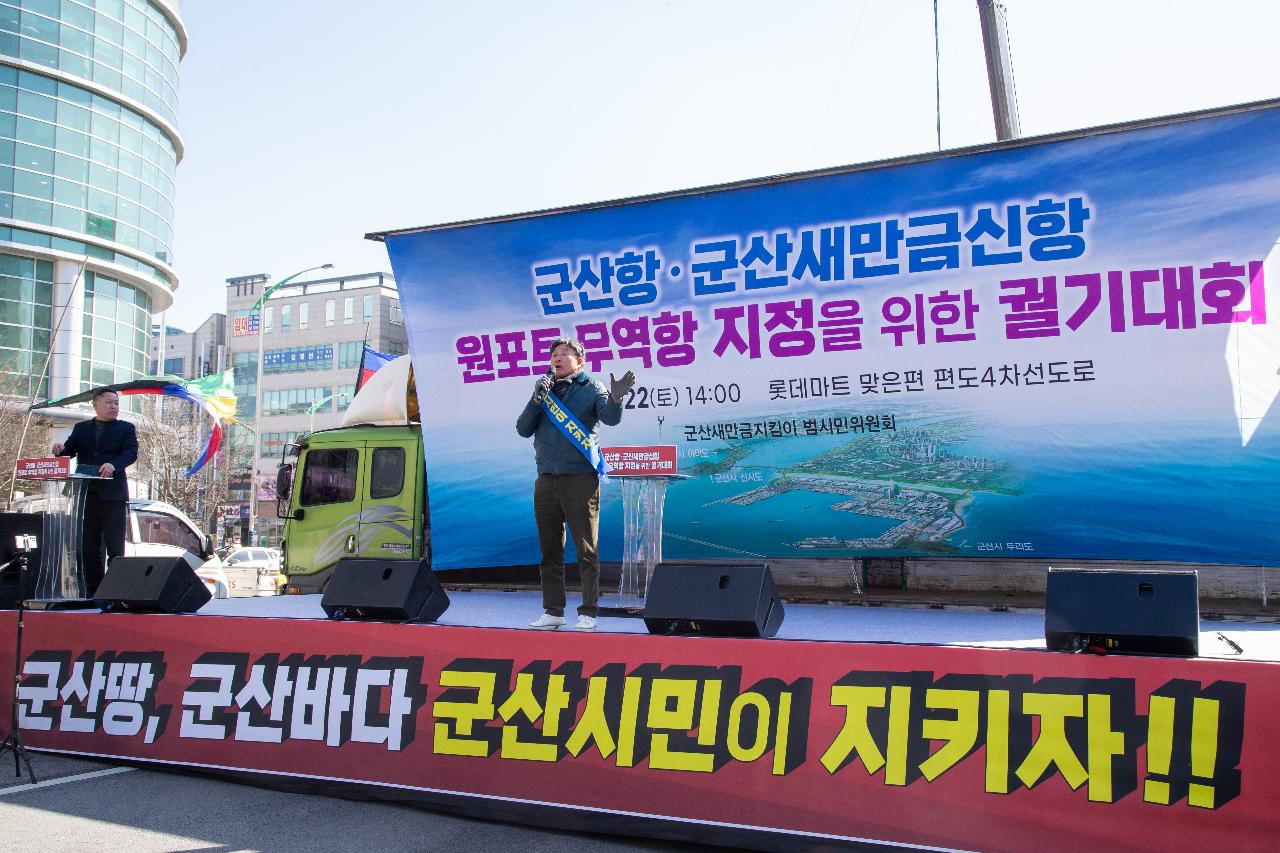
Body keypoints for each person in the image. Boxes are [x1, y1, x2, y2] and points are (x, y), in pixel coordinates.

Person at [516, 338, 635, 631]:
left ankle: (589, 612)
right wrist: (536, 399)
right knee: (550, 549)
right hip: (546, 479)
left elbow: (610, 419)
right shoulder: (544, 391)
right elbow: (522, 429)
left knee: (585, 549)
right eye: (554, 354)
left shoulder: (591, 388)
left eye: (564, 354)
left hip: (580, 478)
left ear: (579, 361)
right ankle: (553, 610)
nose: (557, 358)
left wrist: (617, 399)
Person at [52, 388, 138, 596]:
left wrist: (114, 465)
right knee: (89, 549)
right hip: (85, 495)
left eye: (116, 403)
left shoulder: (126, 428)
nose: (113, 406)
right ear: (96, 404)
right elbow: (69, 452)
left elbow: (130, 453)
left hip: (112, 495)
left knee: (115, 549)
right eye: (109, 402)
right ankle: (93, 593)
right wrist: (59, 452)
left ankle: (114, 593)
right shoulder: (81, 428)